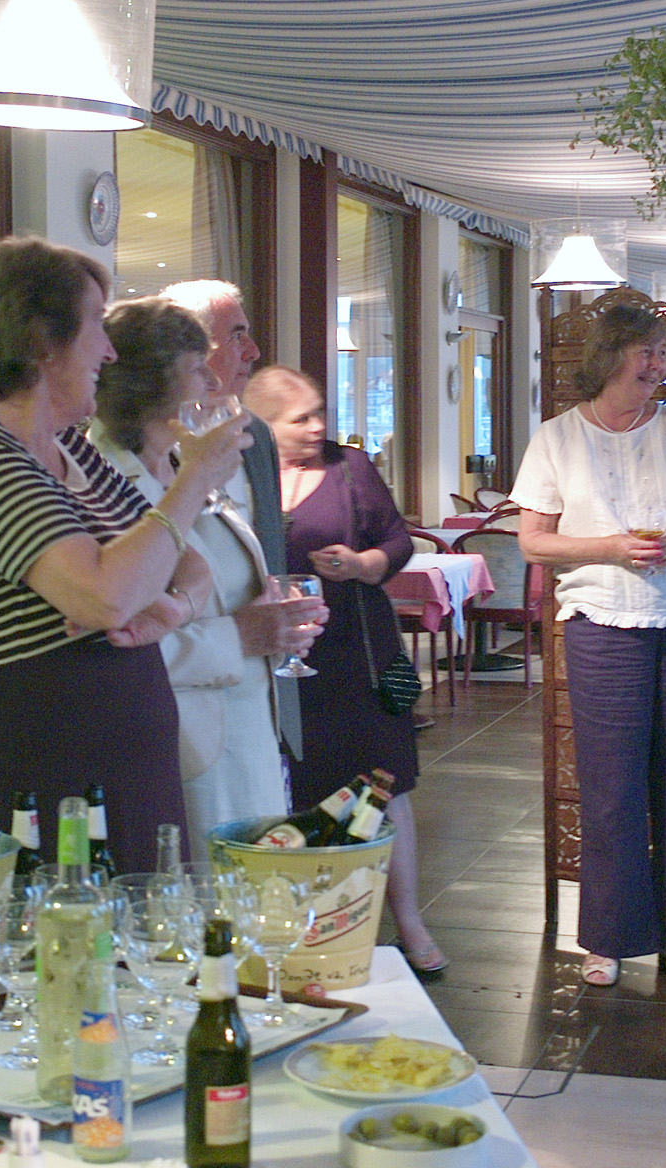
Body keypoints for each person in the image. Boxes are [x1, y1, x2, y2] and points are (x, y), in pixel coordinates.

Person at [0, 239, 249, 871]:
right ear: (43, 340)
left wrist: (174, 610)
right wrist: (195, 480)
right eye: (97, 323)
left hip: (132, 774)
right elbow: (105, 597)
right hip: (54, 782)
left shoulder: (72, 450)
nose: (110, 350)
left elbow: (190, 564)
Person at [509, 302, 666, 989]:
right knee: (611, 788)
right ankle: (609, 939)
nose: (657, 365)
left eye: (663, 353)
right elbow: (533, 541)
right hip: (600, 626)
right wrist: (611, 548)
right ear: (609, 356)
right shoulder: (556, 438)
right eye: (645, 352)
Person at [89, 297, 325, 840]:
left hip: (246, 732)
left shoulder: (185, 465)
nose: (213, 382)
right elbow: (110, 642)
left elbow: (227, 585)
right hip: (179, 747)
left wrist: (278, 623)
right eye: (198, 367)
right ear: (151, 382)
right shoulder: (101, 480)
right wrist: (239, 637)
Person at [242, 365, 445, 977]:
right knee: (288, 786)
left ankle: (408, 921)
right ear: (261, 425)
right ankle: (301, 927)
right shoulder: (238, 472)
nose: (317, 426)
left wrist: (363, 563)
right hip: (272, 654)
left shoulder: (348, 467)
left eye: (319, 412)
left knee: (384, 783)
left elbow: (399, 541)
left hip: (357, 651)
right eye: (299, 418)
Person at [159, 279, 303, 764]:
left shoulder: (255, 433)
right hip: (186, 713)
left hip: (265, 699)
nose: (254, 351)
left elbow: (267, 555)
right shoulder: (145, 447)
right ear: (188, 350)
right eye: (237, 335)